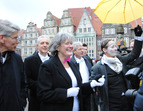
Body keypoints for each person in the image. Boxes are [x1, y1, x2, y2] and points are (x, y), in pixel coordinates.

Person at [37, 32, 105, 111]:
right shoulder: (48, 66)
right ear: (57, 47)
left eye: (71, 43)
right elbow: (43, 94)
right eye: (67, 43)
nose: (70, 46)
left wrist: (91, 84)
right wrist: (66, 93)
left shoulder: (72, 64)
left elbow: (78, 89)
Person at [90, 25, 143, 111]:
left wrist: (138, 37)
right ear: (104, 50)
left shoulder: (120, 59)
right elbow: (92, 86)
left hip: (125, 102)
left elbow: (134, 54)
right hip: (111, 105)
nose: (115, 49)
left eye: (115, 46)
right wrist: (94, 82)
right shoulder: (98, 67)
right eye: (112, 47)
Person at [0, 19, 27, 111]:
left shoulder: (17, 59)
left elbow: (23, 84)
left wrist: (21, 103)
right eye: (15, 38)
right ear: (2, 38)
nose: (18, 41)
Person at [24, 35, 51, 111]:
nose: (45, 45)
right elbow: (27, 80)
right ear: (37, 46)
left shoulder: (54, 60)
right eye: (42, 43)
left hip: (52, 100)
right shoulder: (29, 60)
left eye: (47, 43)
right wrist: (44, 85)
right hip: (36, 99)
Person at [70, 41, 94, 111]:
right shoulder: (71, 61)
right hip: (78, 89)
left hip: (88, 87)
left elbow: (91, 71)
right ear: (74, 51)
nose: (82, 51)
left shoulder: (87, 59)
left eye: (83, 49)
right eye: (80, 49)